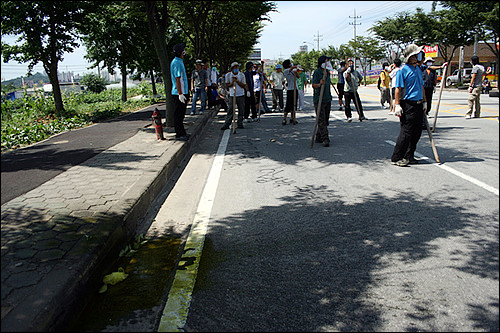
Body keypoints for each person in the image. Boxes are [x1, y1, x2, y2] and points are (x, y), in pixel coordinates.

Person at [391, 44, 428, 167]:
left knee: (417, 132)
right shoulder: (403, 70)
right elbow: (398, 89)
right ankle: (397, 157)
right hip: (408, 104)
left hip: (418, 104)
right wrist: (397, 105)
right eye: (416, 54)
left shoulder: (418, 69)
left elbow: (421, 86)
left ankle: (409, 155)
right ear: (411, 56)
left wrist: (424, 101)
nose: (419, 56)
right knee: (406, 132)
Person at [170, 43, 190, 141]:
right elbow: (177, 79)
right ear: (181, 52)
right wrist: (180, 93)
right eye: (183, 50)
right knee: (178, 114)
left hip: (182, 91)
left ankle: (182, 132)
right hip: (178, 93)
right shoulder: (177, 62)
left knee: (181, 114)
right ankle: (179, 134)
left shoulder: (179, 61)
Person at [311, 55, 333, 147]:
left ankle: (319, 136)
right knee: (321, 120)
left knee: (326, 120)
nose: (328, 63)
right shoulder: (317, 72)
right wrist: (320, 84)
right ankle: (325, 138)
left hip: (327, 98)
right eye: (326, 61)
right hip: (319, 99)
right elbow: (314, 85)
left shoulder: (327, 72)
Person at [221, 62, 247, 130]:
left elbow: (243, 85)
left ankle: (240, 123)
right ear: (232, 68)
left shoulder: (241, 75)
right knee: (231, 110)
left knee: (241, 109)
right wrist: (232, 83)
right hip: (232, 95)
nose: (236, 69)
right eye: (235, 67)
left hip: (240, 94)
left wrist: (237, 81)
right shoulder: (228, 75)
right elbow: (227, 85)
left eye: (237, 67)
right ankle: (227, 124)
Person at [282, 59, 299, 125]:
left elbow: (298, 76)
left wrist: (296, 71)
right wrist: (293, 67)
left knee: (294, 104)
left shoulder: (293, 71)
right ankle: (284, 118)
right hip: (290, 89)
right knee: (288, 104)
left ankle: (293, 118)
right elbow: (289, 70)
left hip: (295, 88)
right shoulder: (286, 71)